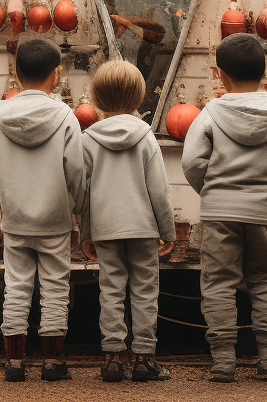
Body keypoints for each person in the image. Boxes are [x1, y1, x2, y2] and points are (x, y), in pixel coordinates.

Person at [181, 32, 267, 382]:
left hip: (219, 211)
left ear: (220, 74)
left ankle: (223, 362)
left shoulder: (210, 113)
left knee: (219, 283)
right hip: (264, 212)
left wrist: (212, 191)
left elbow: (192, 162)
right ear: (264, 71)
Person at [0, 37, 85, 382]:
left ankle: (14, 363)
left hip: (16, 219)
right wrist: (75, 207)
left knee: (16, 285)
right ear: (56, 75)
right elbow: (76, 171)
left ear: (16, 71)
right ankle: (53, 361)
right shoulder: (66, 118)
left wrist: (5, 197)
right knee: (56, 287)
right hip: (55, 219)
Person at [79, 61, 176, 383]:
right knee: (145, 291)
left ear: (96, 97)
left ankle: (112, 359)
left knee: (111, 290)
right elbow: (158, 190)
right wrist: (167, 230)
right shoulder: (146, 137)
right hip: (143, 228)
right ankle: (145, 359)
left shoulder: (88, 139)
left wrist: (87, 233)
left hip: (106, 228)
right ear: (138, 97)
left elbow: (85, 192)